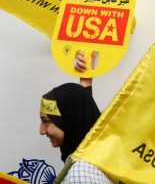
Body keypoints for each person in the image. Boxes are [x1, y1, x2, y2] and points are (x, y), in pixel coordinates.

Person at [39, 51, 116, 184]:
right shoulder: (94, 160)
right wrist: (85, 83)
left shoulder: (79, 174)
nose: (41, 130)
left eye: (46, 121)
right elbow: (79, 116)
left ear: (68, 122)